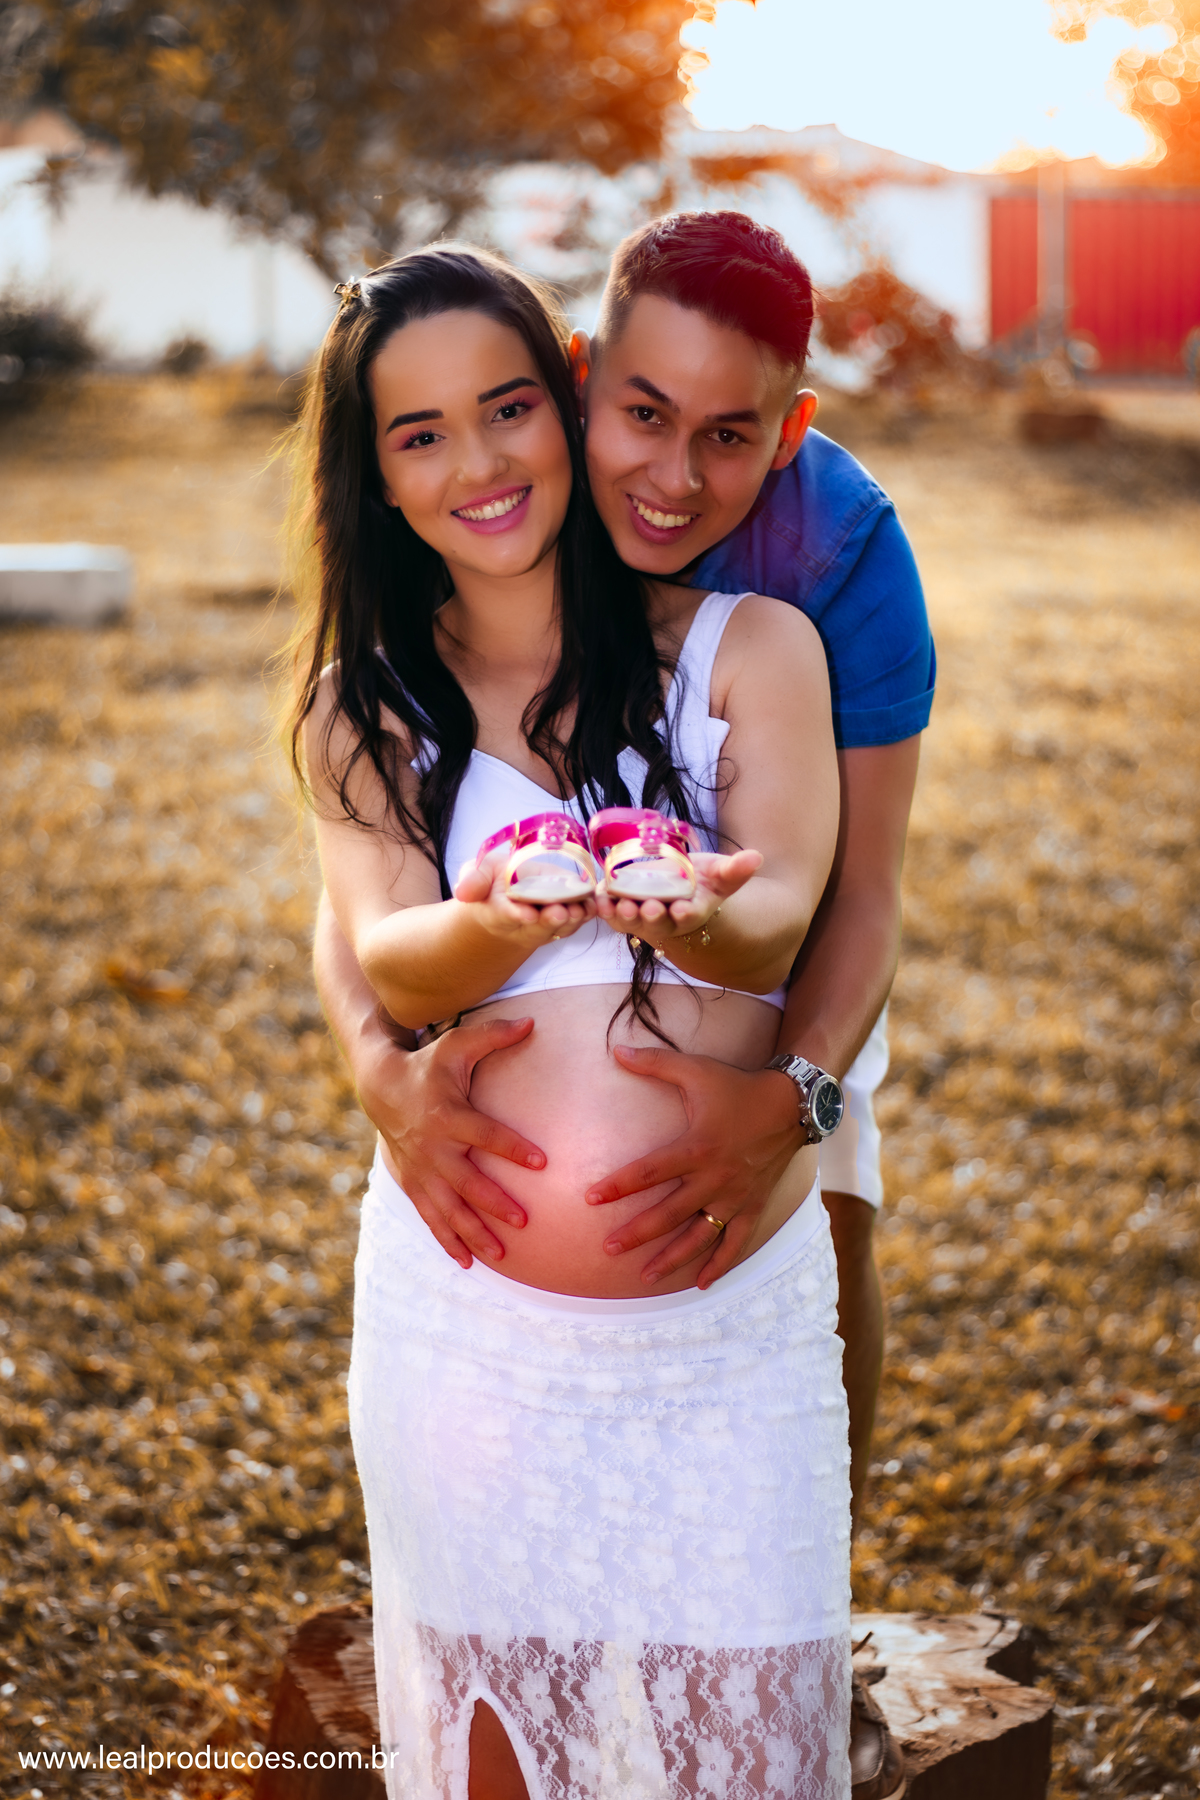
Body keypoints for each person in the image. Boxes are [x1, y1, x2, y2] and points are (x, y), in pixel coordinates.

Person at [314, 214, 932, 1799]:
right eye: (642, 415)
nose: (672, 473)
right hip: (470, 1337)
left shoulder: (816, 572)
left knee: (831, 1218)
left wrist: (766, 1043)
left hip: (737, 1242)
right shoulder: (385, 678)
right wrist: (393, 1050)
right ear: (589, 380)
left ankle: (829, 1623)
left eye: (727, 435)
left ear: (784, 431)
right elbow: (371, 923)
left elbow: (840, 903)